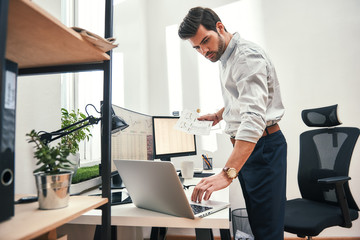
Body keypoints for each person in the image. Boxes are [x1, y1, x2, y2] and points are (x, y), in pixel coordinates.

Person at [178, 7, 287, 240]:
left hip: (263, 148)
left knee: (267, 231)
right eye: (197, 47)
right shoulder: (226, 56)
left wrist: (227, 174)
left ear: (219, 27)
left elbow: (254, 117)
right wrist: (220, 114)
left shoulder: (245, 57)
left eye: (205, 41)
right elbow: (244, 99)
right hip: (253, 149)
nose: (204, 51)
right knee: (259, 224)